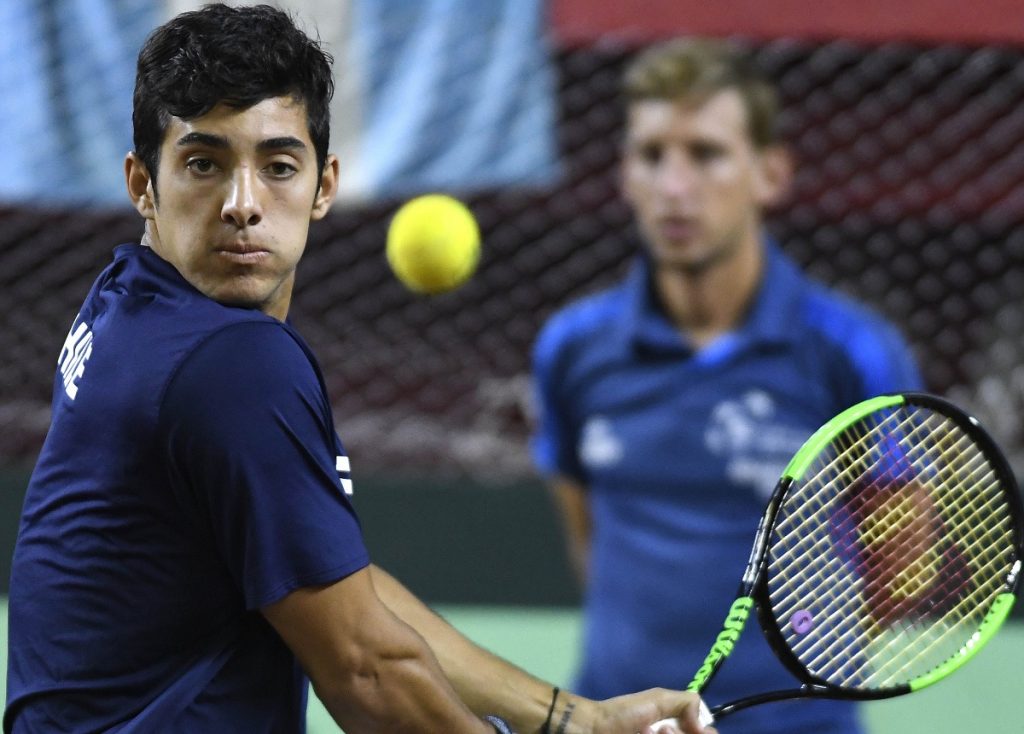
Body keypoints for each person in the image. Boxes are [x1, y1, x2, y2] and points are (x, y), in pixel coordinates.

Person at [2, 6, 715, 734]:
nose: (243, 205)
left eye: (278, 166)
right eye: (203, 164)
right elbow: (364, 670)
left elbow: (341, 592)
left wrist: (574, 723)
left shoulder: (125, 298)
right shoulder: (231, 362)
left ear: (323, 185)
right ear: (142, 183)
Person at [530, 38, 923, 734]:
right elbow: (585, 533)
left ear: (769, 174)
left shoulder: (853, 353)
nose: (674, 186)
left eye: (706, 154)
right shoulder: (572, 349)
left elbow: (900, 565)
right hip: (621, 719)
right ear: (624, 173)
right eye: (652, 155)